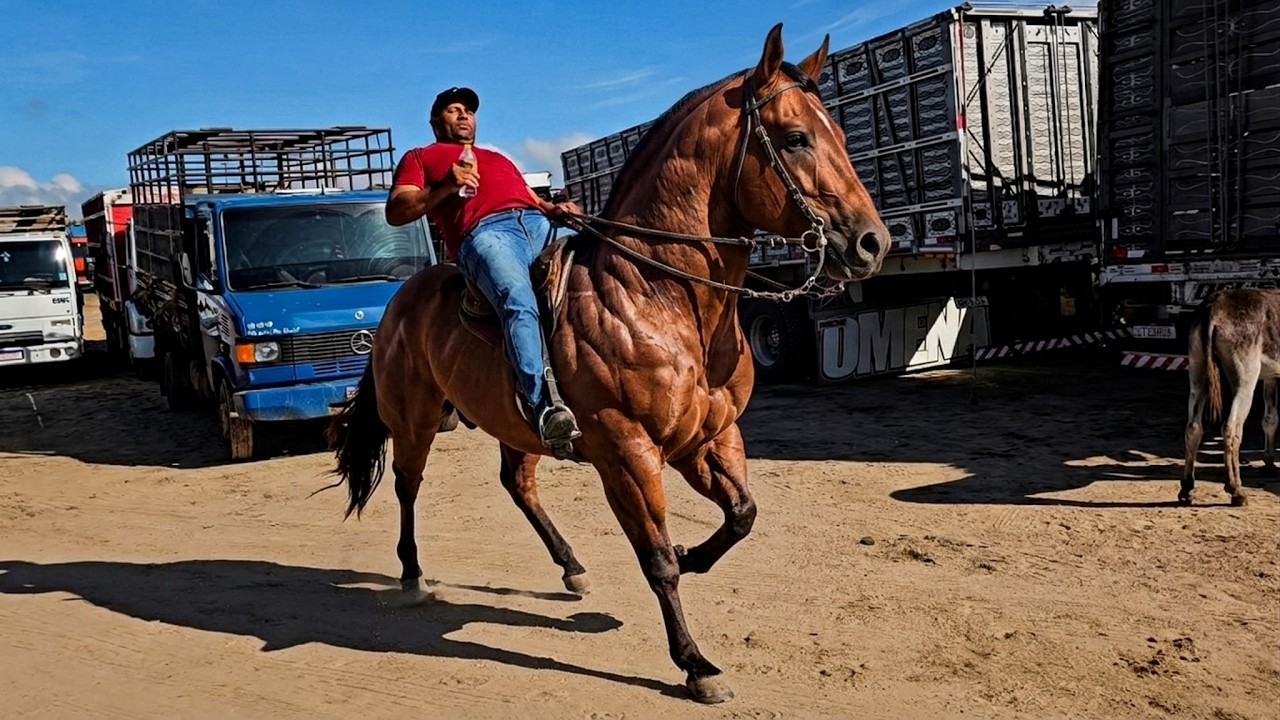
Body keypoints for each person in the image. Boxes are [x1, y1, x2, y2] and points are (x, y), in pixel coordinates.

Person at [386, 86, 581, 450]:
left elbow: (532, 199)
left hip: (537, 223)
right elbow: (396, 211)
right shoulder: (420, 157)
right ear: (435, 122)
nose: (464, 116)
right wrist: (445, 185)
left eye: (469, 111)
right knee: (517, 298)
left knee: (602, 259)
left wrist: (555, 209)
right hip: (487, 233)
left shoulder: (497, 158)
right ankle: (543, 405)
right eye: (453, 110)